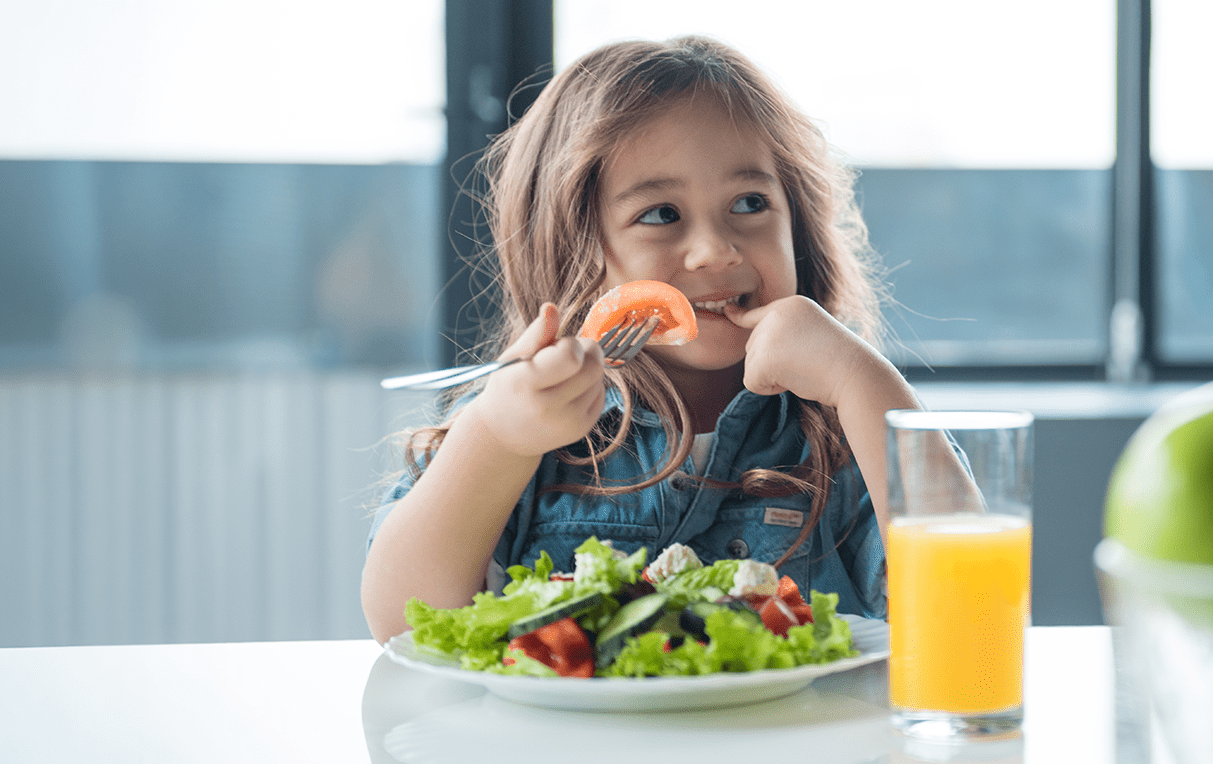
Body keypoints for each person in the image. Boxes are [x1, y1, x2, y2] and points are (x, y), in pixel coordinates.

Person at [361, 35, 922, 644]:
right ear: (571, 248)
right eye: (661, 214)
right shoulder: (520, 422)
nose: (715, 250)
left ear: (800, 229)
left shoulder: (843, 431)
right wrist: (496, 438)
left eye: (750, 202)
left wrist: (866, 386)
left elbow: (968, 607)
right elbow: (404, 623)